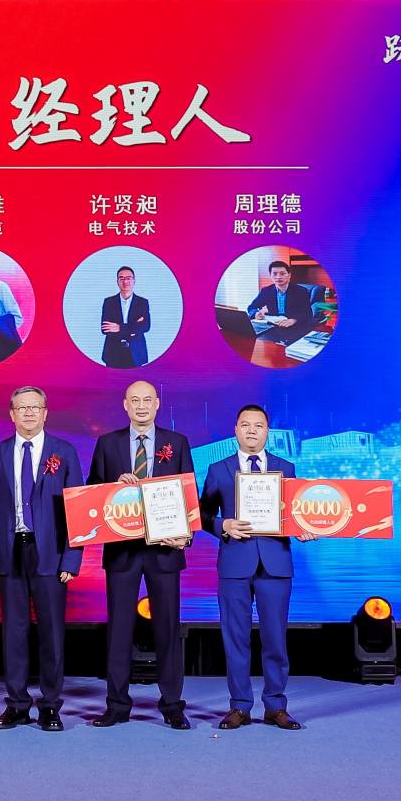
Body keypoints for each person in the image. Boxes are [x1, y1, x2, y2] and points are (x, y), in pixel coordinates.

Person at [0, 384, 83, 729]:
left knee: (52, 633)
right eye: (22, 408)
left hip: (50, 553)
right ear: (12, 414)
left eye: (35, 407)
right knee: (14, 632)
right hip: (11, 552)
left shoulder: (64, 452)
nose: (29, 413)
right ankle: (17, 704)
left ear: (45, 413)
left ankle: (50, 705)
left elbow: (78, 512)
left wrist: (72, 560)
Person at [87, 379, 192, 729]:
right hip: (122, 551)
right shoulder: (108, 443)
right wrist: (113, 488)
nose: (142, 406)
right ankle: (116, 705)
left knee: (168, 629)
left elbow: (188, 495)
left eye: (148, 400)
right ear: (125, 405)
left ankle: (173, 705)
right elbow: (91, 493)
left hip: (165, 551)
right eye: (135, 400)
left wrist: (185, 536)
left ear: (157, 404)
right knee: (119, 631)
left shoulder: (177, 442)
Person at [198, 403, 301, 730]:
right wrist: (222, 525)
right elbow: (201, 515)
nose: (252, 430)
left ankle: (276, 706)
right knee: (235, 639)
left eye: (258, 425)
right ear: (236, 430)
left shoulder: (286, 468)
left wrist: (305, 527)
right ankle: (240, 706)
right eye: (245, 425)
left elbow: (296, 512)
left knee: (275, 638)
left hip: (275, 564)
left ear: (267, 431)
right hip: (234, 563)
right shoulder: (218, 469)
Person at [243, 259, 315, 368]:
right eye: (275, 274)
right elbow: (251, 307)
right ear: (271, 276)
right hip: (274, 328)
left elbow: (307, 314)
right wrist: (256, 313)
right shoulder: (266, 291)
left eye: (282, 273)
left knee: (292, 359)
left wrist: (294, 320)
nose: (278, 277)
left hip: (295, 328)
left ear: (289, 275)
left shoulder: (301, 291)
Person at [98, 265, 151, 367]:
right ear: (117, 281)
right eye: (121, 278)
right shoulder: (109, 302)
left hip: (136, 352)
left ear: (134, 281)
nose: (125, 281)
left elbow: (145, 326)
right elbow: (105, 329)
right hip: (113, 353)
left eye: (128, 278)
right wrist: (133, 328)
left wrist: (119, 328)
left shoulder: (142, 302)